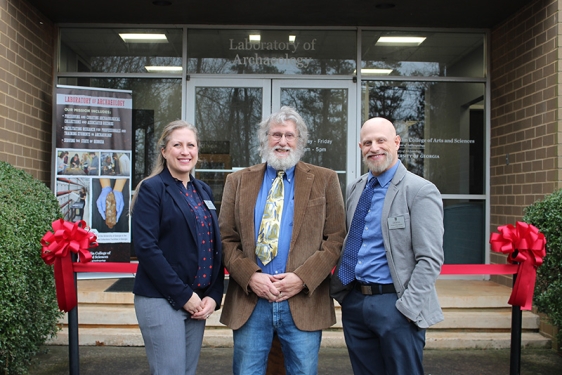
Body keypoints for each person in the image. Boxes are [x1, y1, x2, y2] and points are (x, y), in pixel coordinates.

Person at [219, 106, 346, 375]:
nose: (283, 142)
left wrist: (302, 278)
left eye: (290, 135)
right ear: (264, 139)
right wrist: (250, 276)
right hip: (251, 301)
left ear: (300, 141)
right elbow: (226, 238)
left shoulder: (325, 179)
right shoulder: (237, 181)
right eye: (276, 135)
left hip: (302, 300)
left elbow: (335, 238)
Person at [330, 117, 444, 375]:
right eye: (368, 142)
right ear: (361, 147)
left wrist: (407, 309)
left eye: (381, 140)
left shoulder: (420, 190)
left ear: (396, 142)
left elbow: (430, 260)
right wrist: (348, 300)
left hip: (396, 305)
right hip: (356, 303)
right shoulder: (355, 188)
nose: (374, 147)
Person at [131, 120, 224, 375]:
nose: (185, 151)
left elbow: (215, 245)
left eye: (190, 145)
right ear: (164, 151)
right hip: (162, 298)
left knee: (186, 371)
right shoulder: (152, 189)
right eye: (177, 145)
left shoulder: (202, 189)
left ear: (197, 151)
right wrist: (184, 296)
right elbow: (146, 248)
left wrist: (214, 296)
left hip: (198, 301)